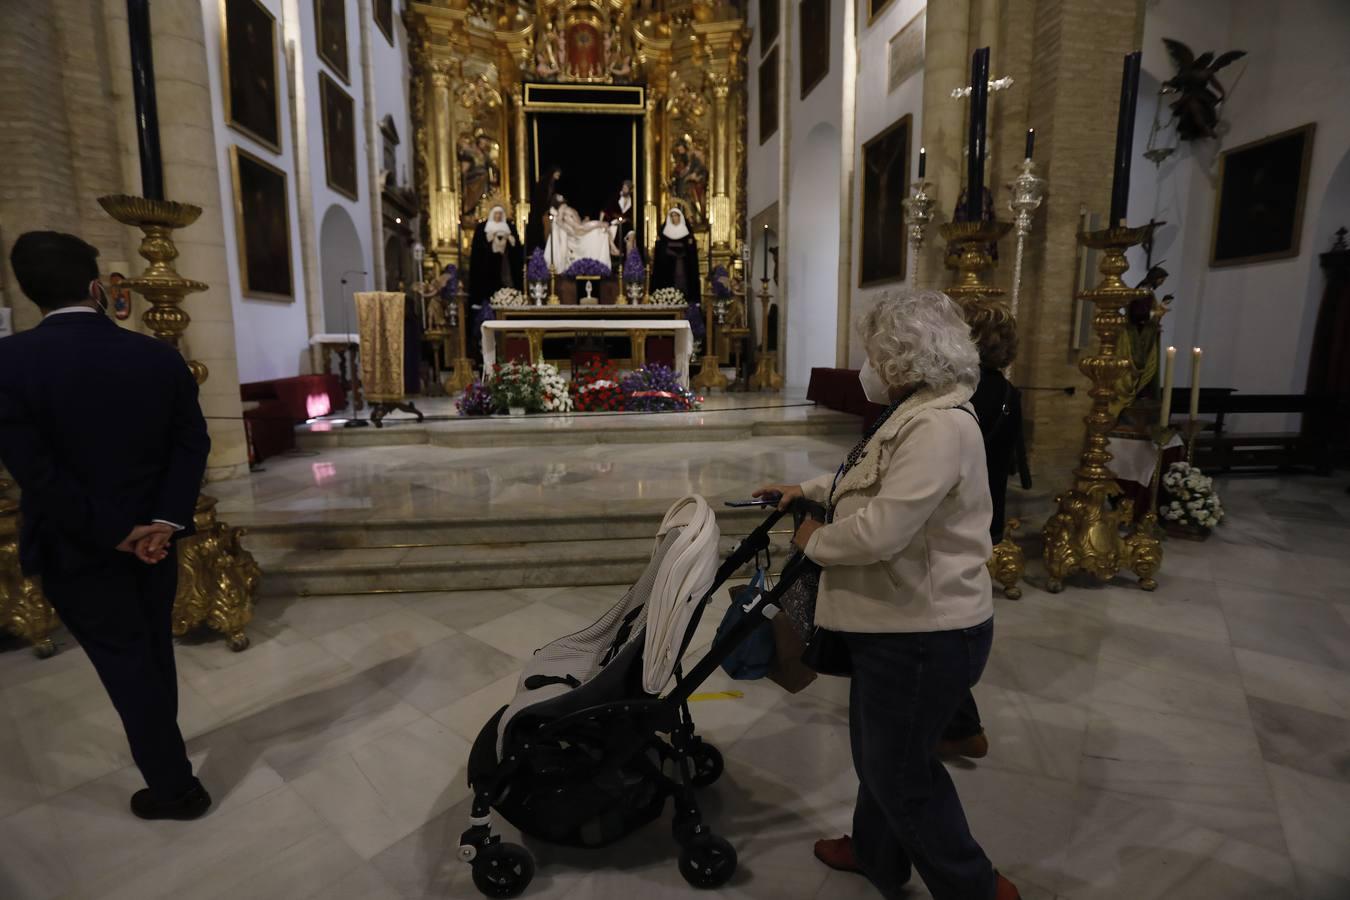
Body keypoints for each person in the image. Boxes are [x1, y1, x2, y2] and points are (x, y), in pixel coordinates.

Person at [756, 290, 1020, 900]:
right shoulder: (916, 413)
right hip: (898, 623)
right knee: (882, 752)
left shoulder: (938, 425)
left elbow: (883, 529)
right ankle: (875, 852)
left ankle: (976, 888)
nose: (865, 366)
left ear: (904, 358)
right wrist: (810, 488)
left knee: (898, 770)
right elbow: (867, 478)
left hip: (926, 631)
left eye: (873, 354)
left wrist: (814, 540)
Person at [0, 232, 212, 821]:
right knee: (150, 653)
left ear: (28, 292)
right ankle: (165, 753)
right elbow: (191, 443)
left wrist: (114, 529)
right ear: (98, 289)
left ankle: (175, 789)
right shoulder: (157, 355)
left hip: (78, 545)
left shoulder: (9, 363)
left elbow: (34, 471)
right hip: (156, 542)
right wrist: (161, 523)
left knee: (125, 661)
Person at [938, 299, 1024, 761]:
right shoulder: (1009, 392)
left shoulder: (959, 394)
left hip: (955, 514)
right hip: (986, 514)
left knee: (941, 624)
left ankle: (960, 725)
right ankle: (960, 723)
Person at [470, 205, 523, 304]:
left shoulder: (509, 227)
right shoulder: (483, 228)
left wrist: (508, 238)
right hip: (488, 265)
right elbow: (480, 247)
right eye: (496, 213)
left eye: (500, 213)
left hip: (505, 263)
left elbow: (515, 247)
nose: (498, 216)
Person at [604, 179, 636, 256]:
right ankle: (615, 250)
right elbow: (608, 210)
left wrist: (626, 219)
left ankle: (629, 261)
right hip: (614, 222)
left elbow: (631, 215)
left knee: (630, 238)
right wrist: (617, 217)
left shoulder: (633, 200)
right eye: (623, 187)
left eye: (626, 188)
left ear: (630, 190)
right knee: (613, 232)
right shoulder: (615, 197)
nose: (624, 189)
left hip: (626, 224)